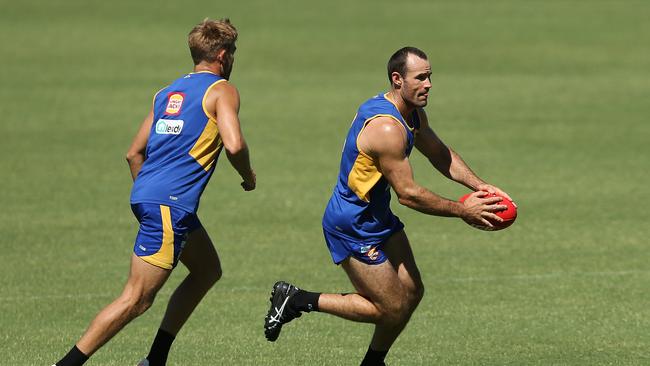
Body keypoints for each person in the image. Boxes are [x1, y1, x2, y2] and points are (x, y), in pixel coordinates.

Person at [264, 47, 514, 365]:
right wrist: (463, 210)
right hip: (351, 223)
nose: (429, 84)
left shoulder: (411, 113)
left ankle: (373, 362)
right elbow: (408, 194)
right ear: (397, 79)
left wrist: (480, 186)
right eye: (420, 77)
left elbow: (438, 152)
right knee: (390, 308)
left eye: (430, 76)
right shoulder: (387, 130)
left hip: (376, 214)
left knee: (411, 292)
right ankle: (298, 299)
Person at [53, 18, 255, 366]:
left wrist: (150, 195)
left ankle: (156, 358)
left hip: (153, 196)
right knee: (136, 299)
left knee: (207, 270)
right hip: (169, 205)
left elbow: (134, 153)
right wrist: (248, 176)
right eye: (233, 53)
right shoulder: (222, 90)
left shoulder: (168, 93)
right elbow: (234, 146)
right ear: (223, 56)